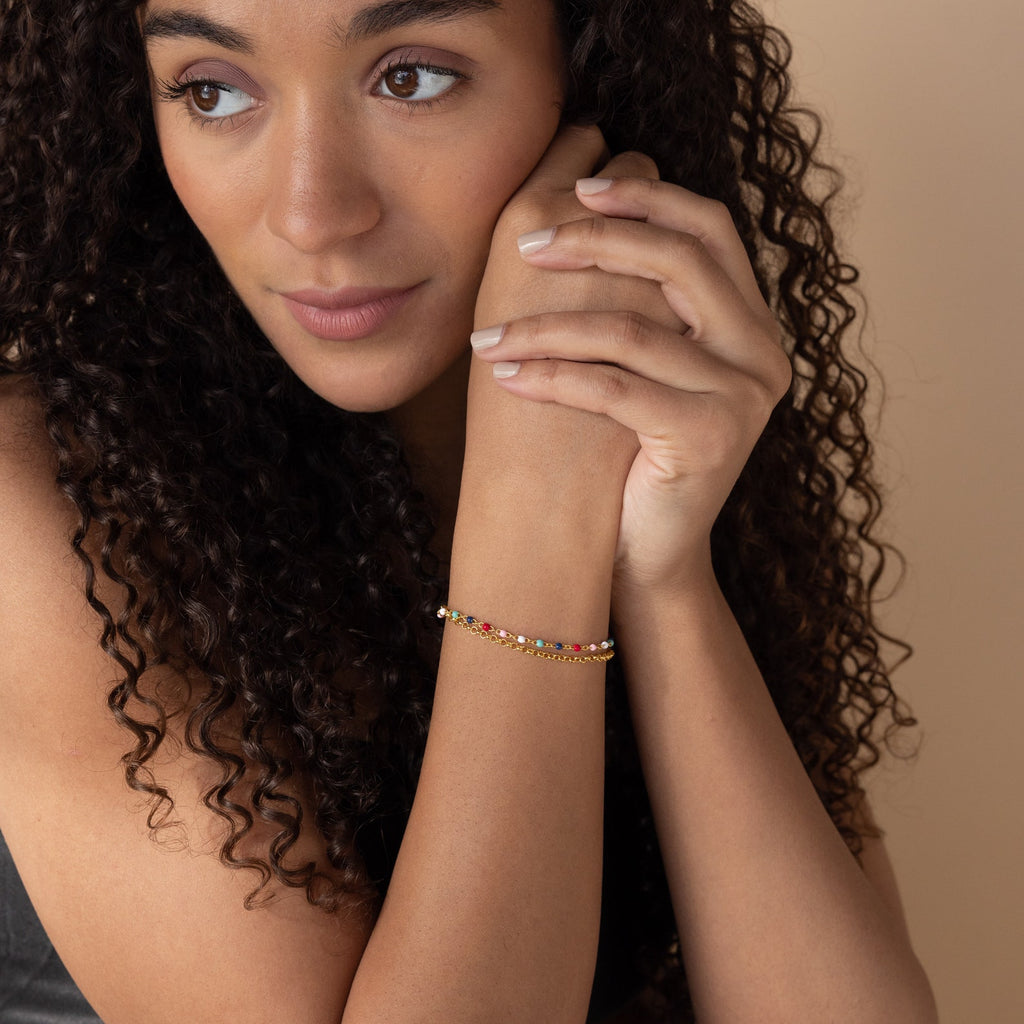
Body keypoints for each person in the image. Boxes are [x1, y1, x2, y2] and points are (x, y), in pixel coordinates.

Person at [0, 0, 938, 1021]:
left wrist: (660, 573)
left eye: (410, 77)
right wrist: (530, 522)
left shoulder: (645, 413)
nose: (312, 212)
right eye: (212, 91)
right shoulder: (51, 504)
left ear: (584, 72)